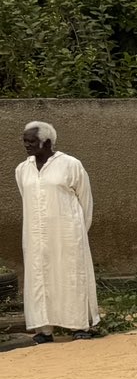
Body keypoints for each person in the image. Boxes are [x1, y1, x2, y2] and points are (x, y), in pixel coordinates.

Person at [16, 121, 100, 343]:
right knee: (39, 278)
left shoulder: (71, 165)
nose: (27, 145)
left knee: (71, 276)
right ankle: (44, 330)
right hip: (35, 236)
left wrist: (78, 232)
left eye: (31, 141)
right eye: (25, 141)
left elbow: (85, 201)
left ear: (47, 142)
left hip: (68, 234)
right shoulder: (22, 169)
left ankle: (79, 325)